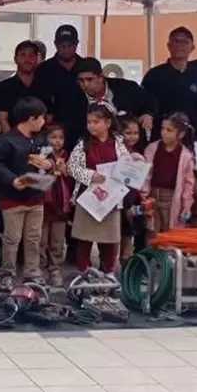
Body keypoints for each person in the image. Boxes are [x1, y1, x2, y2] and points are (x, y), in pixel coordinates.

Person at [0, 96, 51, 288]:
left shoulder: (40, 139)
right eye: (42, 117)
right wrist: (11, 179)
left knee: (34, 238)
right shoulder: (7, 140)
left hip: (36, 196)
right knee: (12, 238)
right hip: (12, 198)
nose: (44, 121)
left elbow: (49, 159)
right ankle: (7, 272)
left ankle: (33, 272)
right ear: (32, 119)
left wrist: (48, 164)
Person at [69, 104, 130, 275]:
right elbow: (72, 167)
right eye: (89, 122)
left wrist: (133, 163)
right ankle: (84, 272)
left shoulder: (118, 143)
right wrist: (90, 176)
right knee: (84, 238)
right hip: (88, 197)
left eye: (96, 122)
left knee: (109, 239)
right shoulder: (83, 144)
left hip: (110, 197)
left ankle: (108, 271)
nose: (91, 125)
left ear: (108, 123)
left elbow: (126, 166)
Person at [141, 27, 197, 143]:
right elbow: (144, 105)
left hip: (191, 139)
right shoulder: (154, 75)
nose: (180, 45)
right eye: (176, 41)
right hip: (161, 139)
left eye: (185, 42)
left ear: (192, 47)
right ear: (168, 45)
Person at [142, 113, 196, 232]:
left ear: (180, 134)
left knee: (169, 233)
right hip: (152, 196)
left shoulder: (186, 156)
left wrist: (187, 206)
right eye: (162, 128)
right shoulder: (151, 149)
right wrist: (143, 194)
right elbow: (144, 174)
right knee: (152, 233)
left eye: (169, 130)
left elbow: (188, 183)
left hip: (172, 198)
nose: (164, 132)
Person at [75, 57, 154, 138]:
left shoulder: (127, 88)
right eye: (81, 80)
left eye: (89, 79)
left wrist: (148, 114)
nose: (85, 84)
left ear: (101, 77)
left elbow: (151, 101)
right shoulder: (75, 99)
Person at [35, 24, 86, 139]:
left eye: (70, 45)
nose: (66, 49)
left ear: (76, 44)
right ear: (55, 45)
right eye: (63, 46)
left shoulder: (85, 67)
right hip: (52, 132)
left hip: (82, 130)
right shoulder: (43, 70)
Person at [0, 40, 48, 137]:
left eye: (31, 56)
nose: (27, 60)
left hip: (39, 142)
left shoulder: (45, 86)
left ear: (37, 58)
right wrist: (14, 142)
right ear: (15, 59)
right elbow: (2, 119)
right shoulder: (5, 86)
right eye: (23, 55)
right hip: (11, 143)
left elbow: (48, 117)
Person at [40, 125, 72, 285]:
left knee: (57, 241)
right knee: (41, 240)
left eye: (60, 138)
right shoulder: (42, 156)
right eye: (53, 137)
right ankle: (40, 269)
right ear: (46, 139)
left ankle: (55, 271)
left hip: (61, 205)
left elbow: (72, 179)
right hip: (45, 203)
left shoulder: (68, 156)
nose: (57, 141)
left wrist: (65, 171)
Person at [118, 116, 146, 259]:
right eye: (128, 133)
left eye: (135, 133)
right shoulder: (116, 151)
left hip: (133, 198)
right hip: (116, 198)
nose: (132, 137)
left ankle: (126, 262)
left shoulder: (139, 153)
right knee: (115, 232)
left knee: (128, 232)